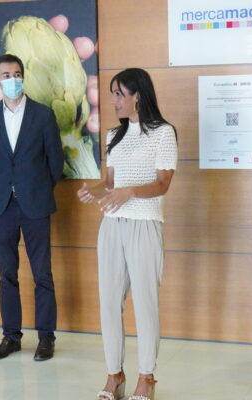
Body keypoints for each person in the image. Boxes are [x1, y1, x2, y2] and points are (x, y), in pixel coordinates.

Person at [77, 68, 177, 400]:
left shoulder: (163, 133)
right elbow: (110, 182)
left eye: (119, 93)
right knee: (108, 302)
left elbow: (162, 184)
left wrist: (130, 191)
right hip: (111, 226)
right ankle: (114, 375)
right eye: (113, 94)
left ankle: (146, 378)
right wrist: (93, 190)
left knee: (145, 303)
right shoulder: (113, 135)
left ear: (138, 95)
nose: (113, 100)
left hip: (145, 224)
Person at [0, 54, 64, 362]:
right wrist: (9, 185)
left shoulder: (43, 114)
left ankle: (46, 337)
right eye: (6, 75)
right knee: (7, 274)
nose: (13, 79)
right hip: (2, 205)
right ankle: (11, 337)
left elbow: (55, 162)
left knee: (42, 273)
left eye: (17, 73)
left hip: (36, 203)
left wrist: (36, 188)